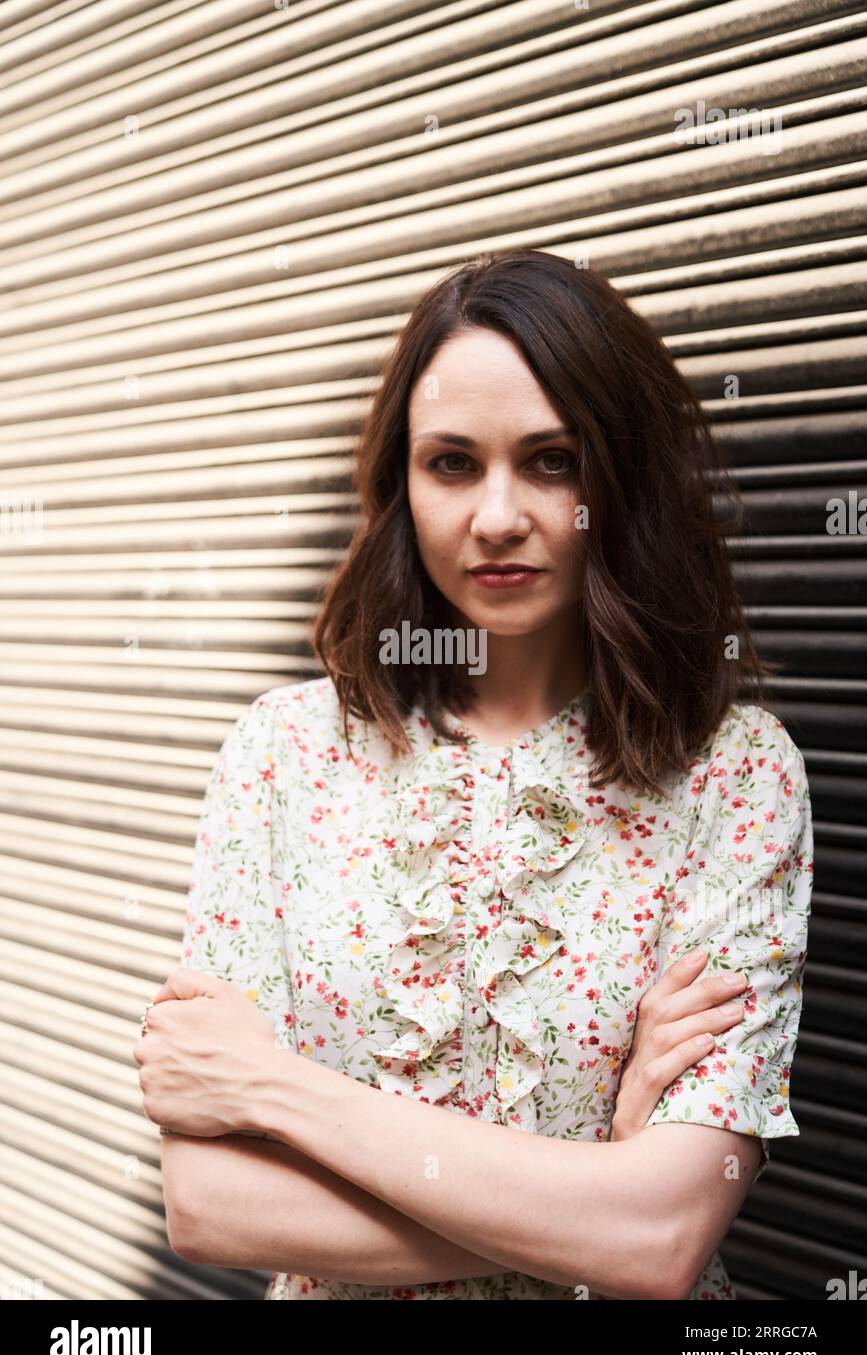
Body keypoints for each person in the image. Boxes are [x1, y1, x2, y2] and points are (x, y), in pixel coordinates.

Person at [135, 250, 813, 1300]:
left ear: (618, 475)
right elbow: (213, 1204)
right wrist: (599, 1187)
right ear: (401, 483)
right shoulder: (282, 757)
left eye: (551, 459)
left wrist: (275, 1091)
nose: (497, 515)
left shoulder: (733, 778)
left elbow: (669, 1237)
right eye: (453, 463)